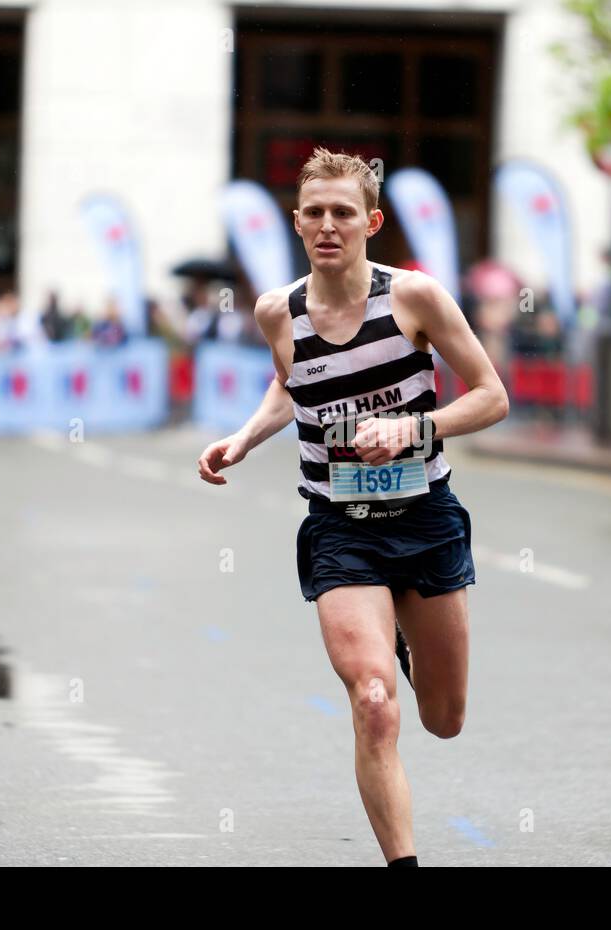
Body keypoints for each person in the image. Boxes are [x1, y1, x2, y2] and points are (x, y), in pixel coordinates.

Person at [196, 147, 509, 866]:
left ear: (370, 221)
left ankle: (406, 636)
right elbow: (290, 382)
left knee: (444, 719)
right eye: (315, 213)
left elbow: (493, 396)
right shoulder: (280, 311)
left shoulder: (415, 299)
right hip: (340, 527)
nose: (328, 225)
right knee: (373, 702)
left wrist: (413, 427)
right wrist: (245, 437)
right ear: (297, 223)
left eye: (343, 213)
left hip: (425, 517)